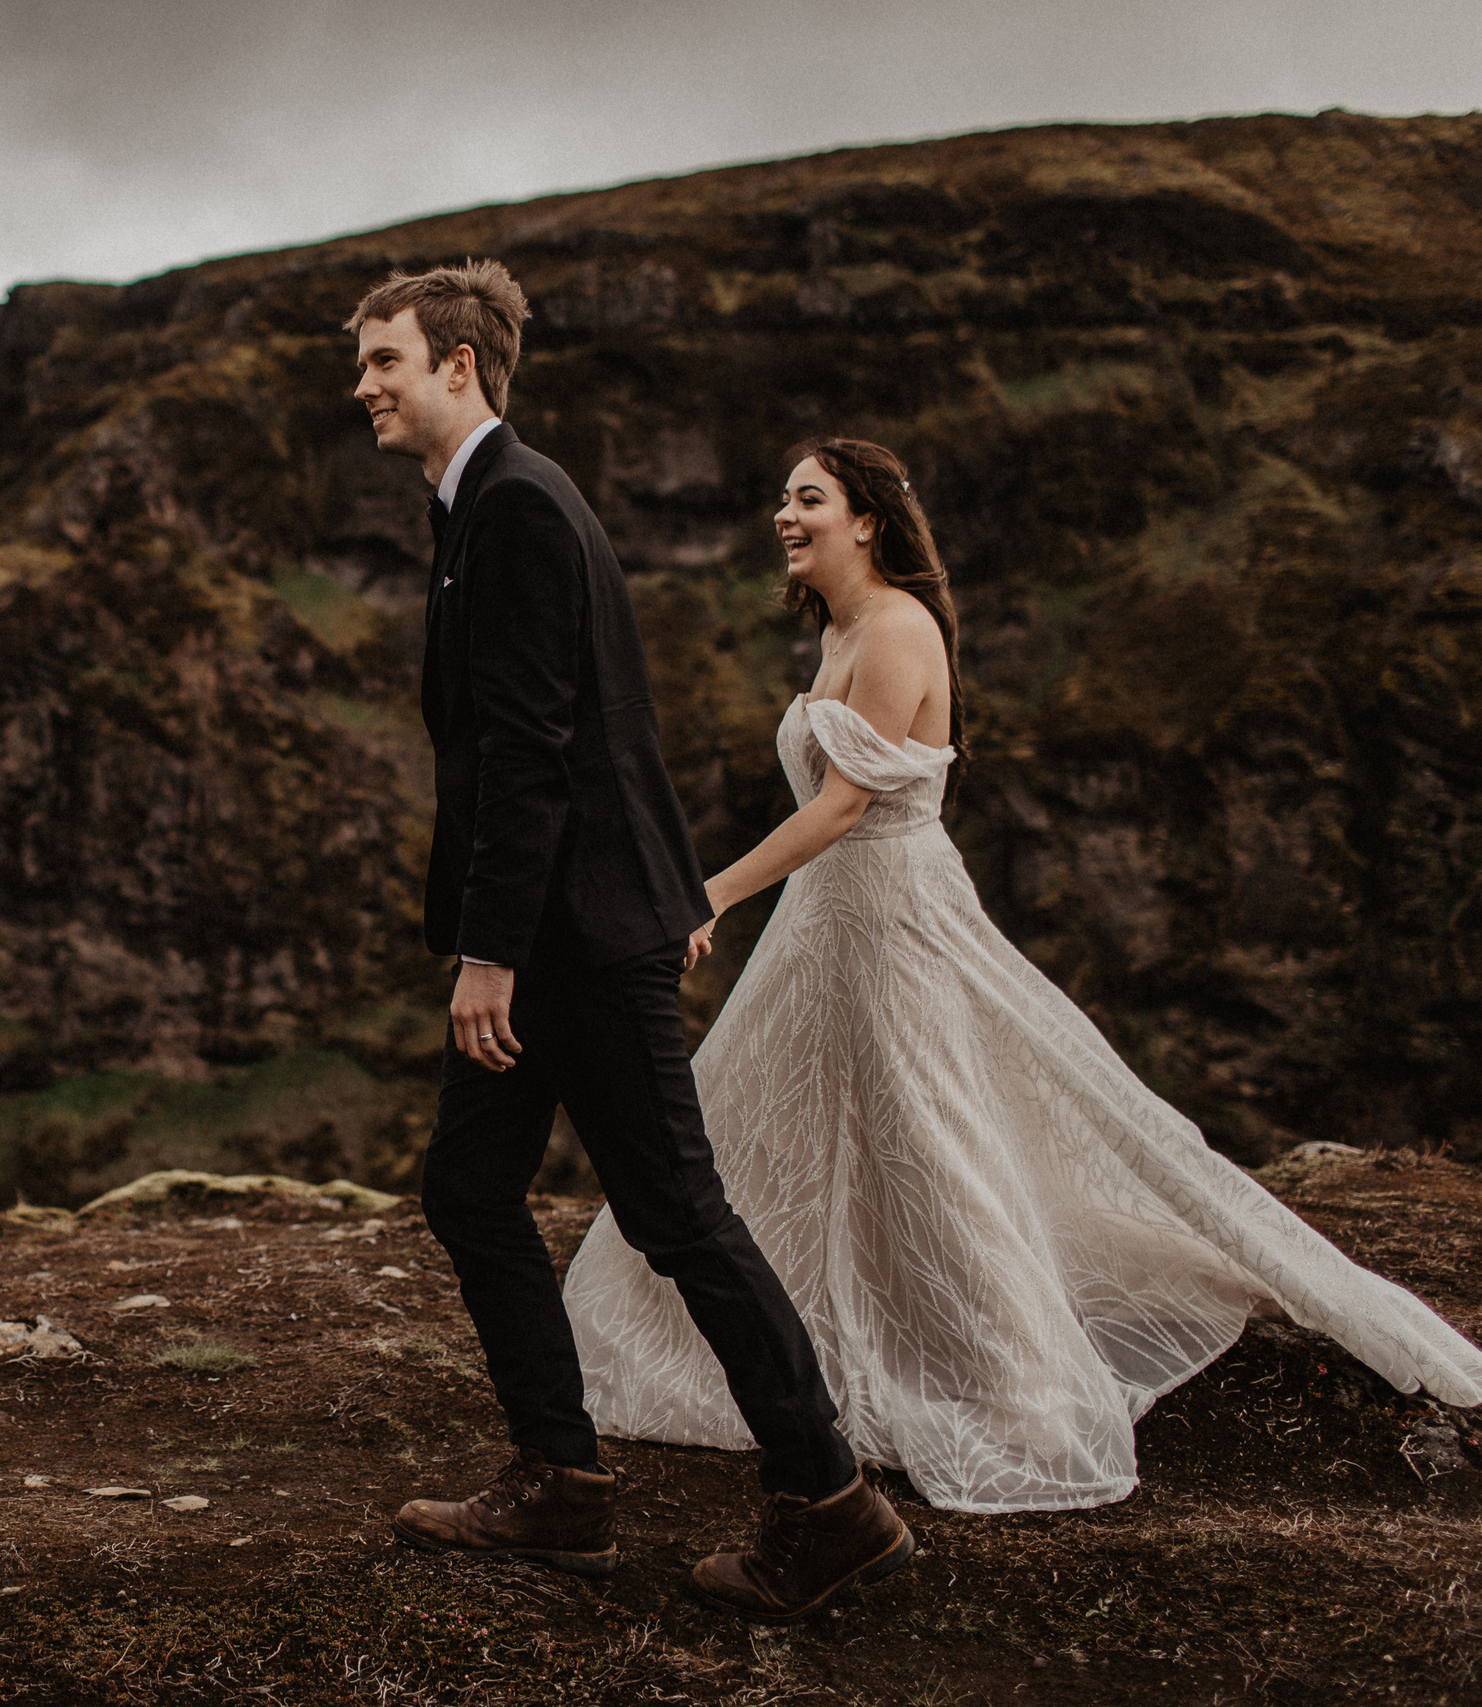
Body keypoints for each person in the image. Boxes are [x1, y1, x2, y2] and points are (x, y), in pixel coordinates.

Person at [563, 437, 1482, 1515]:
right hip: (830, 920)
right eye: (781, 498)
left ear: (865, 520)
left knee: (924, 1130)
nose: (783, 515)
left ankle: (1013, 1381)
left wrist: (705, 893)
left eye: (805, 498)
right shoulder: (844, 630)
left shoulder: (899, 628)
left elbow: (845, 807)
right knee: (797, 1122)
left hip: (892, 915)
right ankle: (801, 1344)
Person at [348, 262, 917, 1625]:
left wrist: (487, 953)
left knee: (677, 1214)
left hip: (581, 936)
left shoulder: (522, 508)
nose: (363, 385)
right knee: (472, 1189)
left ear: (463, 366)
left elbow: (536, 751)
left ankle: (831, 1501)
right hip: (553, 926)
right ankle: (558, 1478)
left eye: (384, 360)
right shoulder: (476, 506)